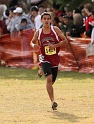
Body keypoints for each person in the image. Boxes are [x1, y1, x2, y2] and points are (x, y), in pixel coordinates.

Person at [30, 12, 67, 110]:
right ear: (41, 20)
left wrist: (54, 46)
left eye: (48, 18)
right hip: (44, 57)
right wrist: (34, 45)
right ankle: (53, 101)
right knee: (49, 78)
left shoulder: (55, 30)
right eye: (44, 19)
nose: (46, 20)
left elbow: (65, 41)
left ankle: (41, 68)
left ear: (51, 20)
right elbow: (32, 41)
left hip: (54, 57)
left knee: (52, 81)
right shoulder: (38, 32)